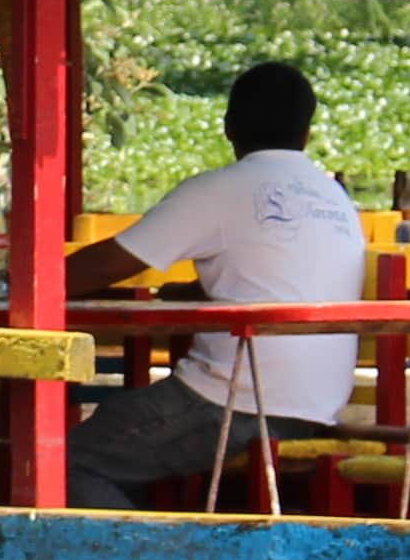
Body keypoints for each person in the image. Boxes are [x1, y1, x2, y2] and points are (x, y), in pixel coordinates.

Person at [56, 59, 367, 509]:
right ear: (306, 133)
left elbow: (106, 265)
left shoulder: (223, 189)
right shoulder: (333, 197)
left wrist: (15, 282)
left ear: (229, 126)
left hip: (233, 404)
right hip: (317, 406)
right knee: (123, 426)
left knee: (63, 461)